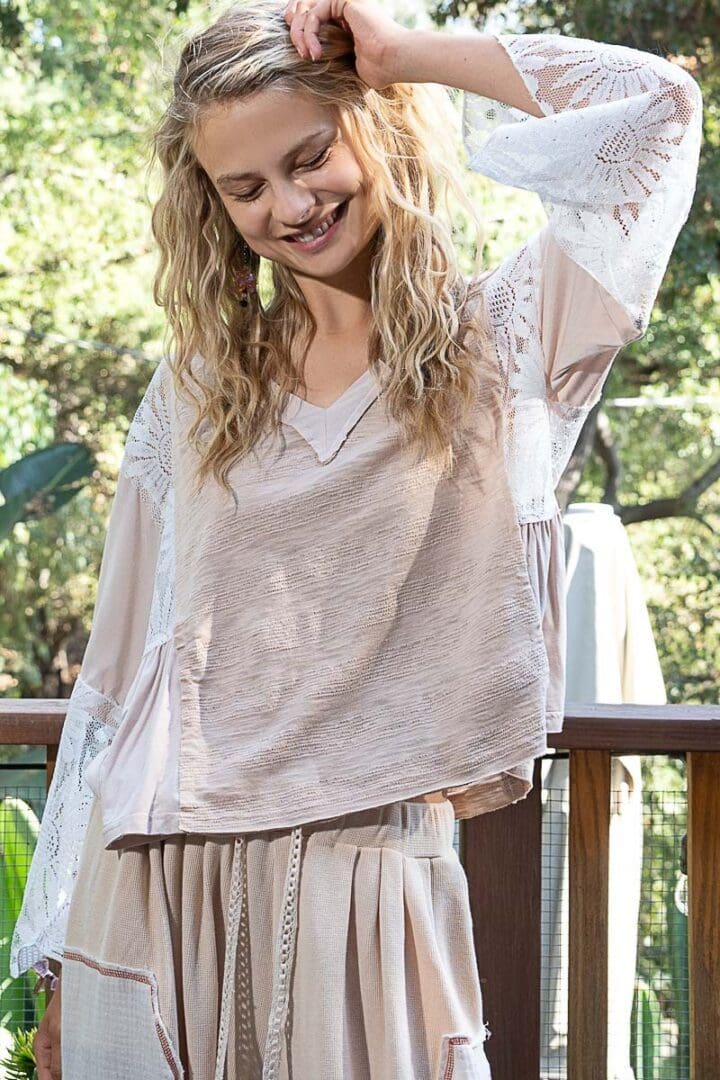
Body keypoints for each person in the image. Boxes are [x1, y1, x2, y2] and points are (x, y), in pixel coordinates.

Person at [11, 1, 702, 1077]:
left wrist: (401, 51)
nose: (289, 205)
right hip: (158, 888)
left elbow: (659, 116)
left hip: (372, 880)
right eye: (244, 188)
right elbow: (118, 671)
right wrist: (53, 958)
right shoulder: (196, 389)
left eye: (310, 155)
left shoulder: (509, 341)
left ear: (374, 127)